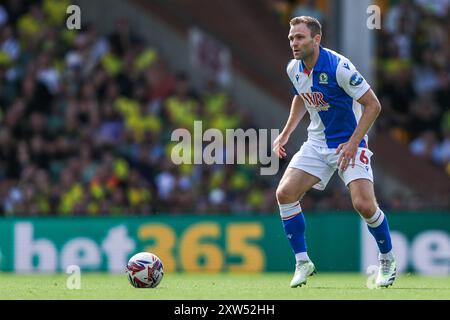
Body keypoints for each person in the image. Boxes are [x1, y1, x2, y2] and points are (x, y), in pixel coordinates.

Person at [272, 16, 396, 288]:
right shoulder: (294, 68)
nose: (294, 42)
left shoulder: (340, 67)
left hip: (348, 143)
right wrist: (287, 131)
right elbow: (301, 96)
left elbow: (373, 105)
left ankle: (386, 259)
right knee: (285, 193)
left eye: (300, 37)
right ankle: (303, 262)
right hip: (317, 143)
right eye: (292, 38)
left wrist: (353, 142)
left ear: (316, 40)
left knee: (364, 205)